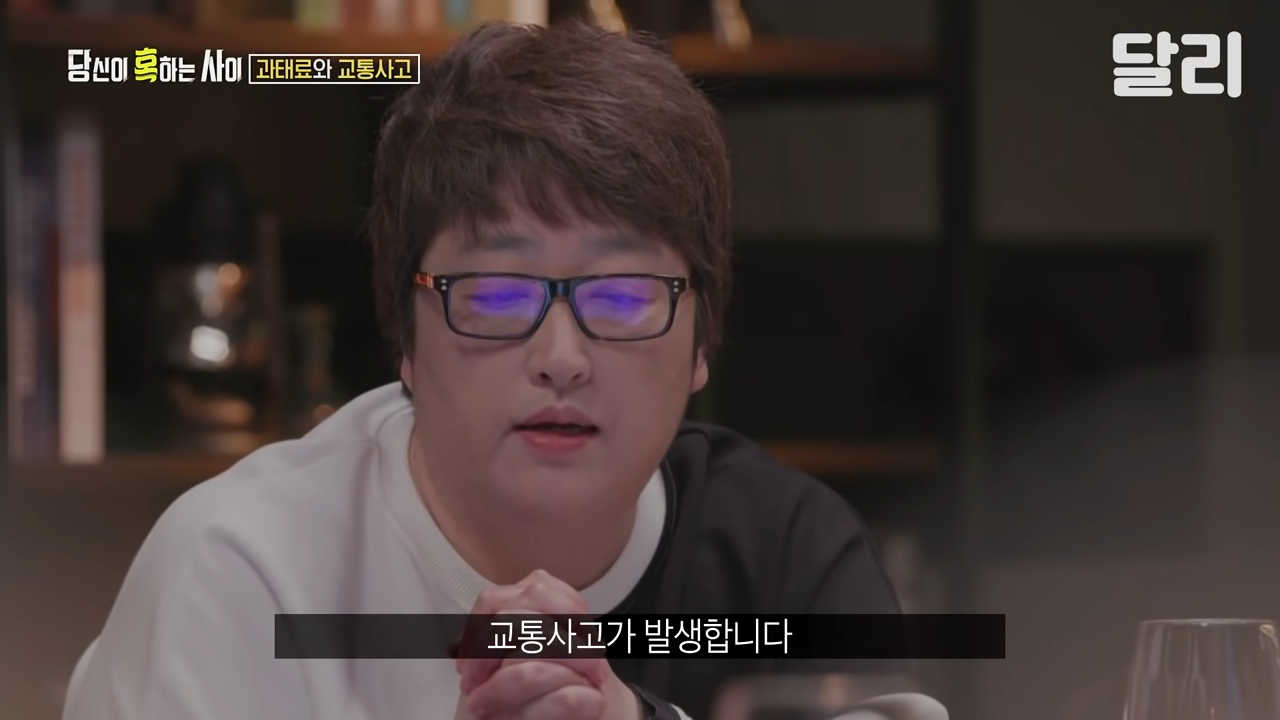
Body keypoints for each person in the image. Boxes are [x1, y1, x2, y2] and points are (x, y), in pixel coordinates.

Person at [63, 19, 902, 720]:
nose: (561, 360)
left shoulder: (785, 555)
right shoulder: (244, 571)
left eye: (621, 298)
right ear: (404, 339)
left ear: (702, 342)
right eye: (498, 297)